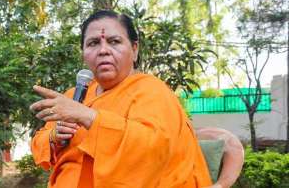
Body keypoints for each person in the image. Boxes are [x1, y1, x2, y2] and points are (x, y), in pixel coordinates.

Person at [30, 10, 212, 188]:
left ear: (134, 49)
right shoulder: (74, 95)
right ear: (83, 53)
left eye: (114, 41)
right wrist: (55, 137)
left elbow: (152, 149)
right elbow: (40, 141)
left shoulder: (152, 91)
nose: (103, 50)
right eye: (93, 43)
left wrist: (89, 117)